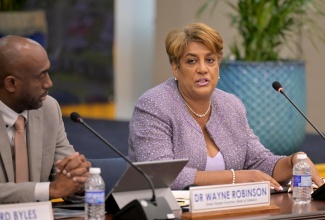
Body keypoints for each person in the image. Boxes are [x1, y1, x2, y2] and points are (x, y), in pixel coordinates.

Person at [128, 22, 324, 191]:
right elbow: (158, 173)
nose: (203, 69)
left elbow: (258, 162)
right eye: (191, 61)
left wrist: (292, 162)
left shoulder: (231, 105)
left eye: (210, 60)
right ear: (175, 67)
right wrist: (235, 177)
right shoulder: (154, 105)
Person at [0, 35, 91, 203]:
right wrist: (51, 189)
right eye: (41, 76)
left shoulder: (48, 109)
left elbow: (67, 172)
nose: (49, 83)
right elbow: (55, 188)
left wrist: (79, 176)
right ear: (11, 83)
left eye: (48, 72)